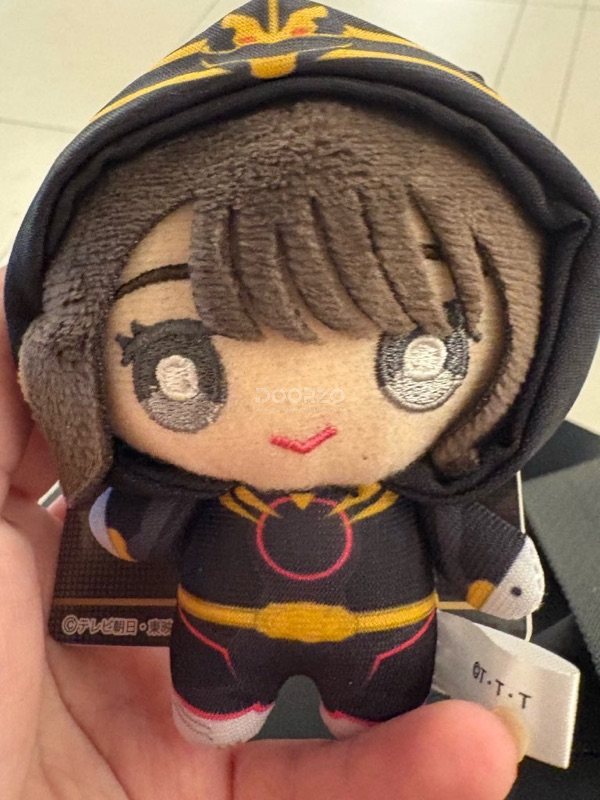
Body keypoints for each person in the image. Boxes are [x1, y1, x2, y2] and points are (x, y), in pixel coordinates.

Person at [0, 268, 525, 796]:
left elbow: (461, 531)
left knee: (395, 722)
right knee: (218, 695)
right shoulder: (203, 478)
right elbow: (139, 529)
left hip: (379, 649)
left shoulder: (410, 484)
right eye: (182, 363)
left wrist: (499, 569)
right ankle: (221, 705)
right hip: (222, 642)